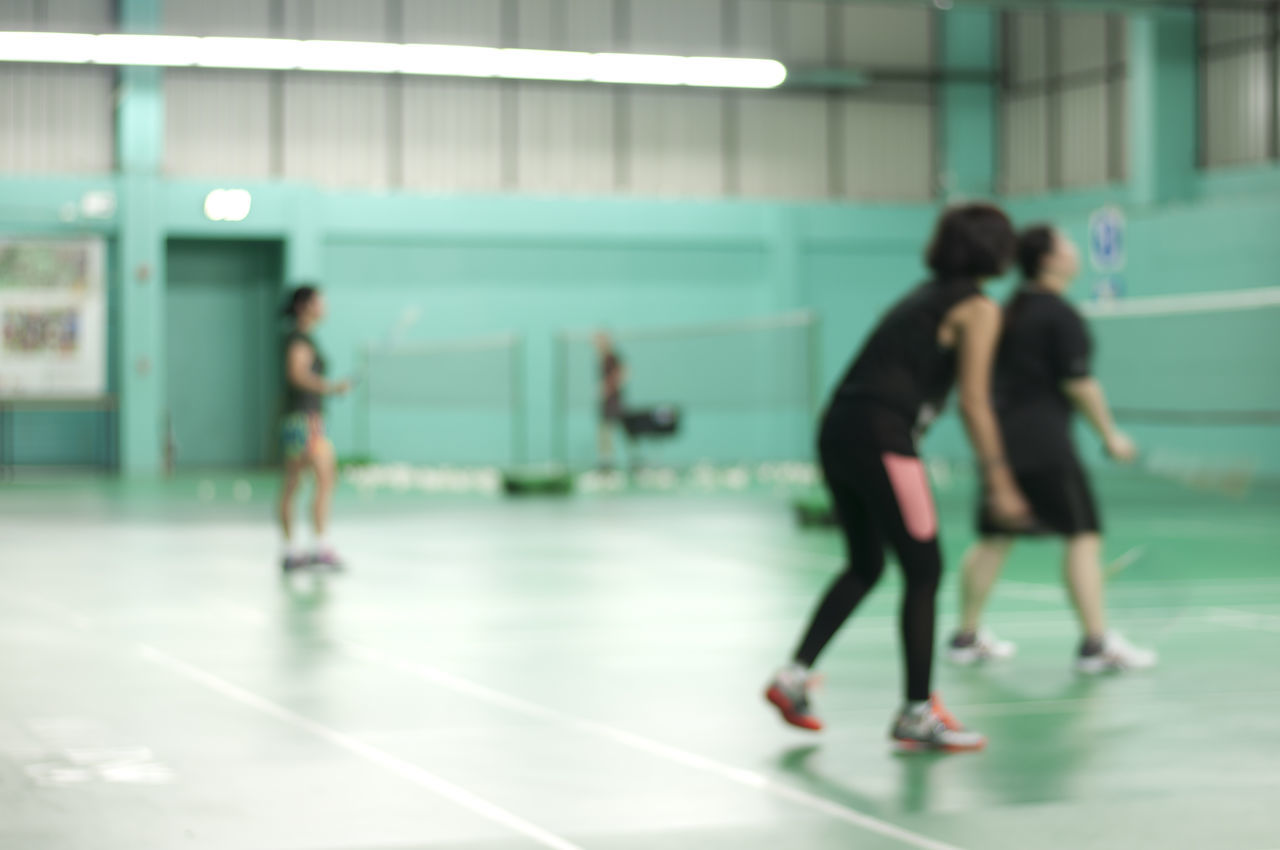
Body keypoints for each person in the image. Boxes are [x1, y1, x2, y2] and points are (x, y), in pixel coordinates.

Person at [765, 203, 1031, 752]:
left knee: (866, 563)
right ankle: (916, 712)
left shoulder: (922, 296)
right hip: (882, 439)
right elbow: (976, 403)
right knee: (924, 568)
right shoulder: (978, 308)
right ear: (995, 251)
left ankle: (793, 677)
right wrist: (1000, 477)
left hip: (837, 432)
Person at [948, 226, 1157, 673]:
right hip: (1045, 444)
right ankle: (1096, 643)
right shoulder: (1060, 315)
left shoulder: (1006, 311)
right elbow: (1078, 383)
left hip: (1000, 443)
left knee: (995, 537)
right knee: (1083, 537)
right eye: (1067, 244)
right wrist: (1110, 435)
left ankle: (965, 637)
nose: (1075, 251)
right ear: (1048, 260)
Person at [279, 285, 350, 573]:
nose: (325, 306)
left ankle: (290, 551)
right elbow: (297, 374)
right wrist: (331, 387)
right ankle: (319, 547)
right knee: (324, 478)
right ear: (305, 306)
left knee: (294, 483)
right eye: (320, 302)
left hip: (298, 418)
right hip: (307, 420)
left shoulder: (302, 338)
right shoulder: (300, 340)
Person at [594, 332, 627, 470]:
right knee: (604, 431)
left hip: (613, 401)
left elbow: (623, 372)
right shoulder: (603, 358)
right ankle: (606, 462)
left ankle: (609, 464)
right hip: (606, 402)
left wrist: (608, 387)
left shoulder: (611, 357)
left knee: (613, 429)